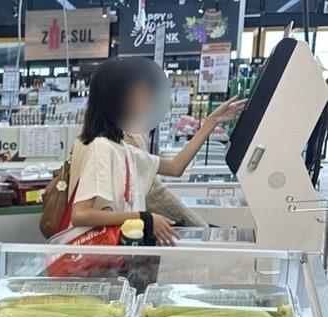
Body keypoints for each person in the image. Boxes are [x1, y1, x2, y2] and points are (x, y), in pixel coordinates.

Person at [68, 57, 245, 245]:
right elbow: (81, 214)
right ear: (118, 98)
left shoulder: (123, 149)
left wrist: (211, 122)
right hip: (101, 255)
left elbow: (175, 167)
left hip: (119, 252)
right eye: (139, 93)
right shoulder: (102, 147)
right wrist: (144, 217)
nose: (146, 100)